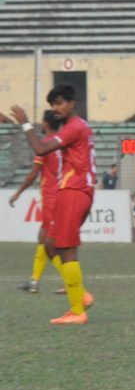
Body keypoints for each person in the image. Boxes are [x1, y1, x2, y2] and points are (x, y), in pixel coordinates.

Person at [6, 85, 97, 324]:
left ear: (71, 103)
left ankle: (78, 310)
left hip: (73, 190)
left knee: (66, 248)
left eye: (59, 103)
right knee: (50, 242)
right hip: (74, 189)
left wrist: (25, 123)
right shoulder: (78, 127)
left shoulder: (74, 127)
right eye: (53, 105)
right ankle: (80, 298)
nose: (56, 108)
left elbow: (40, 148)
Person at [10, 110, 64, 293]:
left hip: (51, 198)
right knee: (42, 237)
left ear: (46, 124)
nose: (40, 124)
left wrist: (18, 192)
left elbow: (33, 174)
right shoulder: (62, 142)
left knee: (50, 243)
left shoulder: (45, 145)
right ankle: (34, 281)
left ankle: (68, 281)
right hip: (62, 195)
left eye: (42, 121)